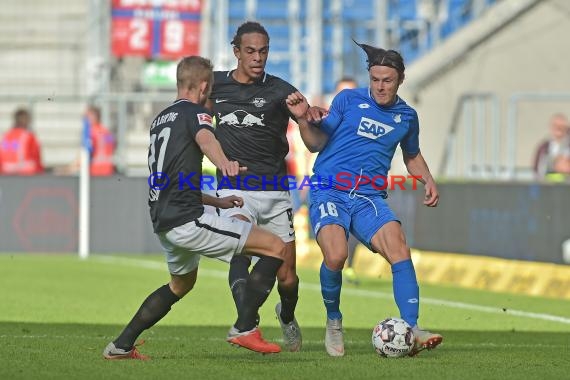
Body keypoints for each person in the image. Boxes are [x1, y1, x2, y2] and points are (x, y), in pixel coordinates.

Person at [102, 56, 286, 360]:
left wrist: (217, 201)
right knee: (276, 247)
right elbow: (206, 140)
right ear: (203, 87)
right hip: (187, 220)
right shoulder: (196, 114)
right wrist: (225, 163)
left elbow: (176, 178)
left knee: (181, 283)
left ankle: (120, 346)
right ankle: (245, 327)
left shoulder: (160, 120)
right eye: (210, 88)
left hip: (164, 218)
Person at [290, 41, 443, 357]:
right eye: (375, 80)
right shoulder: (347, 99)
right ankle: (334, 319)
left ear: (400, 79)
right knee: (335, 256)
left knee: (399, 248)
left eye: (387, 80)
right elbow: (317, 143)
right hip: (329, 188)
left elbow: (411, 155)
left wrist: (426, 178)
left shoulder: (407, 117)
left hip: (368, 197)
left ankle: (412, 329)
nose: (380, 86)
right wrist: (303, 120)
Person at [208, 21, 306, 352]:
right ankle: (246, 324)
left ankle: (287, 316)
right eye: (250, 51)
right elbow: (197, 125)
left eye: (263, 51)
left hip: (276, 193)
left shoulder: (280, 90)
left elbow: (315, 141)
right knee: (240, 248)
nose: (257, 57)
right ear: (236, 52)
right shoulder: (215, 85)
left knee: (288, 277)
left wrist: (307, 118)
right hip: (235, 191)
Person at [54, 105, 115, 176]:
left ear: (93, 117)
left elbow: (86, 153)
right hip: (108, 171)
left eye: (86, 116)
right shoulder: (106, 132)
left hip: (96, 171)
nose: (84, 119)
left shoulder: (91, 132)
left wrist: (68, 169)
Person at [0, 108, 43, 175]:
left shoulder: (6, 136)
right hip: (25, 173)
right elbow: (36, 157)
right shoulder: (29, 136)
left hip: (5, 172)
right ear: (26, 120)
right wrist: (40, 171)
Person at [533, 113, 570, 181]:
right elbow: (538, 172)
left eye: (562, 127)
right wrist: (555, 164)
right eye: (556, 126)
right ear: (551, 128)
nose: (559, 129)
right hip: (549, 186)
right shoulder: (543, 148)